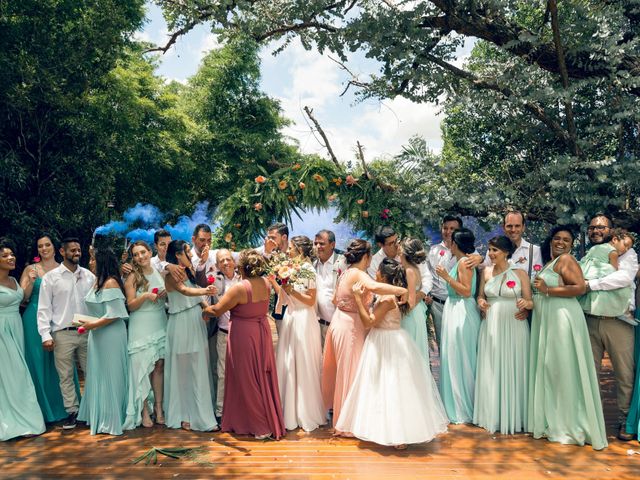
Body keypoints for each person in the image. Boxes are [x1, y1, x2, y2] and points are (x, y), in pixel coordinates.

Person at [336, 258, 448, 449]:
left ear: (383, 276)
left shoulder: (387, 299)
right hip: (390, 340)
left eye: (378, 270)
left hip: (384, 341)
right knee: (388, 387)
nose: (375, 273)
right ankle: (390, 431)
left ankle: (397, 435)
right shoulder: (388, 295)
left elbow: (369, 322)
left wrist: (357, 299)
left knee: (390, 387)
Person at [528, 225, 607, 449]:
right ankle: (554, 418)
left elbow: (580, 287)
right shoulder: (552, 262)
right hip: (549, 319)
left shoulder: (567, 261)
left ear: (572, 245)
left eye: (565, 240)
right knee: (552, 370)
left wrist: (547, 291)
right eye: (556, 238)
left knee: (562, 369)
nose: (560, 242)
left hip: (562, 317)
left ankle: (570, 423)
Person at [322, 239, 408, 434]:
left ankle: (345, 419)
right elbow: (376, 288)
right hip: (350, 327)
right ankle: (347, 424)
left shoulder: (346, 273)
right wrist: (401, 290)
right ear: (367, 257)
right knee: (350, 373)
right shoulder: (358, 274)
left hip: (340, 321)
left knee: (345, 371)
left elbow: (335, 299)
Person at [204, 250, 286, 440]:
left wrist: (203, 306)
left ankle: (261, 426)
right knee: (259, 378)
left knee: (247, 379)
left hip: (243, 335)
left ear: (242, 267)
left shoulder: (240, 288)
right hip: (260, 333)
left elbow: (217, 309)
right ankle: (249, 420)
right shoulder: (265, 283)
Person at [582, 214, 637, 441]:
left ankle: (626, 420)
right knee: (588, 372)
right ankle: (589, 419)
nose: (596, 230)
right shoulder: (588, 254)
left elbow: (623, 278)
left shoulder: (627, 253)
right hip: (590, 319)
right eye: (593, 227)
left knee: (624, 373)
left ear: (611, 231)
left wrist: (590, 285)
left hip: (619, 321)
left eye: (601, 227)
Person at [474, 236, 532, 434]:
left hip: (514, 326)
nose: (490, 254)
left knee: (514, 366)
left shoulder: (520, 273)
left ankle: (516, 415)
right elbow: (480, 296)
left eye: (495, 250)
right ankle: (493, 414)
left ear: (506, 252)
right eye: (490, 249)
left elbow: (531, 301)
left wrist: (526, 305)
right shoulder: (486, 272)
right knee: (493, 366)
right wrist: (480, 302)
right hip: (491, 327)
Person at [37, 237, 95, 430]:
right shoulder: (51, 278)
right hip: (62, 333)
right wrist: (45, 335)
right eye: (72, 250)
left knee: (92, 372)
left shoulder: (88, 276)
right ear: (62, 252)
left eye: (79, 250)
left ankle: (90, 410)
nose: (77, 253)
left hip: (87, 331)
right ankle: (72, 412)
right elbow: (43, 309)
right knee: (66, 375)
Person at [270, 236, 325, 432]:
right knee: (288, 363)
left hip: (304, 319)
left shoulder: (308, 270)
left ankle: (304, 411)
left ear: (300, 251)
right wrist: (278, 285)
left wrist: (290, 288)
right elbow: (286, 296)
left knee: (303, 363)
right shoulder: (293, 268)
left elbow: (310, 301)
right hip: (291, 318)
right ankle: (288, 410)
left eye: (291, 248)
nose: (288, 251)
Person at [76, 236, 129, 435]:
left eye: (92, 259)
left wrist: (91, 324)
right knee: (98, 374)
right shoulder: (97, 282)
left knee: (111, 374)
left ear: (102, 261)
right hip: (97, 335)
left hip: (111, 336)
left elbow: (114, 314)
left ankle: (112, 418)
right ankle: (99, 415)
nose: (89, 262)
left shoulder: (111, 283)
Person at [163, 240, 218, 432]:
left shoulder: (189, 270)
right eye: (188, 252)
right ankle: (184, 415)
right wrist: (206, 290)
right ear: (178, 255)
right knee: (184, 369)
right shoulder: (169, 273)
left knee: (199, 365)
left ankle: (202, 412)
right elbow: (185, 291)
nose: (192, 255)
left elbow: (197, 298)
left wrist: (209, 308)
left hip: (195, 320)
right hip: (181, 322)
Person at [19, 233, 69, 423]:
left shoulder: (63, 268)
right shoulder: (30, 269)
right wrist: (31, 281)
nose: (44, 249)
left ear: (55, 247)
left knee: (60, 362)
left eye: (47, 245)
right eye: (40, 246)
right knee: (37, 362)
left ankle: (65, 407)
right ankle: (41, 410)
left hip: (57, 319)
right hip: (33, 318)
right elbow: (23, 298)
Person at [0, 238, 46, 441]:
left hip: (17, 328)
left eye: (11, 254)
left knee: (18, 374)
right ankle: (13, 422)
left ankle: (25, 421)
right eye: (4, 256)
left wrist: (32, 282)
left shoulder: (13, 280)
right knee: (13, 376)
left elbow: (22, 299)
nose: (11, 258)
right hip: (2, 332)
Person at [436, 228, 482, 424]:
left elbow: (465, 291)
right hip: (454, 309)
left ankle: (463, 406)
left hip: (462, 310)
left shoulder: (464, 262)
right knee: (454, 357)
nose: (449, 244)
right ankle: (455, 403)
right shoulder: (462, 261)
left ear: (457, 244)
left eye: (451, 241)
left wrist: (447, 277)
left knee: (461, 358)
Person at [123, 241, 168, 429]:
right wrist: (145, 296)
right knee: (142, 367)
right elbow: (130, 305)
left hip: (159, 320)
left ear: (150, 252)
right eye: (136, 254)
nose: (140, 257)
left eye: (143, 252)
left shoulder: (159, 271)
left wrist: (165, 294)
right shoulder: (132, 276)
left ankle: (158, 408)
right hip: (141, 323)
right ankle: (143, 410)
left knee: (159, 365)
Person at [426, 216, 482, 348]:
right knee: (444, 344)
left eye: (452, 229)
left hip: (461, 304)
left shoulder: (469, 254)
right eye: (445, 228)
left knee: (460, 344)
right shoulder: (433, 250)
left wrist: (480, 258)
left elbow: (483, 267)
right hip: (438, 304)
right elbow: (427, 275)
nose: (448, 231)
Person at [211, 248, 241, 421]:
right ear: (217, 265)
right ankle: (221, 412)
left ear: (234, 261)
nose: (226, 263)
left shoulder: (243, 278)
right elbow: (209, 302)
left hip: (242, 333)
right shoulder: (214, 280)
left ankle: (240, 409)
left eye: (228, 259)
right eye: (221, 261)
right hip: (223, 333)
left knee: (242, 373)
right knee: (223, 374)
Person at [367, 225, 433, 303]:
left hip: (415, 303)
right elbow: (377, 290)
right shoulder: (374, 263)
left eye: (397, 240)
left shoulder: (408, 252)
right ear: (380, 245)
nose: (396, 244)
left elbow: (426, 276)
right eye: (391, 243)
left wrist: (421, 294)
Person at [579, 227, 633, 317]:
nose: (626, 250)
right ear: (615, 239)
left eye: (629, 248)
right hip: (599, 273)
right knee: (625, 288)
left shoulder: (596, 247)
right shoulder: (613, 252)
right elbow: (614, 272)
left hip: (587, 272)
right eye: (626, 245)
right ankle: (624, 311)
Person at [481, 211, 543, 279]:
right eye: (509, 226)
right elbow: (486, 275)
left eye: (517, 226)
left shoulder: (534, 250)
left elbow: (537, 278)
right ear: (503, 228)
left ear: (523, 227)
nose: (513, 230)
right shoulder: (492, 251)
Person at [398, 238, 430, 363]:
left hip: (410, 316)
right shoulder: (412, 268)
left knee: (409, 355)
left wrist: (395, 311)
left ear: (404, 252)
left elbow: (411, 302)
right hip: (413, 314)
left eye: (400, 248)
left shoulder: (410, 271)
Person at [313, 230, 346, 348]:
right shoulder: (313, 265)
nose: (317, 246)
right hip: (320, 325)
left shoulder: (342, 263)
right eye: (315, 243)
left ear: (333, 245)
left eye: (321, 244)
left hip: (340, 325)